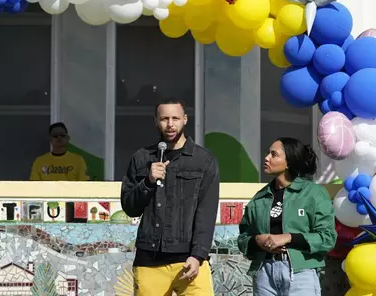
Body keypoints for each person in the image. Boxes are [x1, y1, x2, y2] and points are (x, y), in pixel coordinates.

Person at [120, 98, 219, 296]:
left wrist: (198, 256)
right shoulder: (142, 157)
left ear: (185, 119)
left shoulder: (203, 160)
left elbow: (206, 213)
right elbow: (130, 207)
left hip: (189, 261)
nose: (170, 124)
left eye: (175, 118)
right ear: (156, 121)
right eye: (164, 118)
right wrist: (147, 181)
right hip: (150, 261)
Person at [237, 137, 337, 296]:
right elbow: (243, 238)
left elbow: (327, 238)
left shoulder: (314, 194)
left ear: (289, 162)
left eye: (273, 154)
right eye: (267, 153)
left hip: (300, 273)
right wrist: (257, 240)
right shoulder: (259, 197)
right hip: (264, 273)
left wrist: (288, 237)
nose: (266, 158)